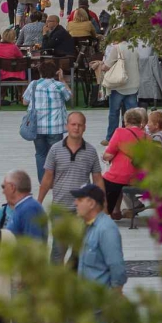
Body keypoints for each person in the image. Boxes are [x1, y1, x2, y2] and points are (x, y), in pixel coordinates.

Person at [40, 112, 104, 265]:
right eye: (73, 124)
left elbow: (97, 179)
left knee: (78, 251)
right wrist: (38, 201)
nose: (76, 128)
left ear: (84, 128)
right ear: (66, 126)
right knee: (58, 250)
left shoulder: (90, 151)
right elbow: (48, 177)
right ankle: (55, 285)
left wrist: (103, 206)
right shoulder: (55, 149)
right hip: (60, 209)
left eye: (80, 125)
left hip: (82, 210)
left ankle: (70, 280)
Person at [24, 64, 72, 182]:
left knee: (40, 154)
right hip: (55, 127)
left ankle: (43, 181)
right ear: (56, 73)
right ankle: (55, 179)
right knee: (55, 154)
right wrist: (62, 80)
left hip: (37, 126)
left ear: (40, 73)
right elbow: (69, 96)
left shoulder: (33, 84)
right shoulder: (59, 85)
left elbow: (25, 101)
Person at [101, 108, 148, 221]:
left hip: (119, 177)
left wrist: (105, 156)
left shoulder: (120, 132)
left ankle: (106, 211)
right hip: (138, 178)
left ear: (125, 121)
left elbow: (108, 155)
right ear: (139, 121)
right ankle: (117, 211)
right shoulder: (147, 137)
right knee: (119, 180)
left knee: (103, 182)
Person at [0, 170, 47, 240]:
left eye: (4, 187)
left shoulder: (29, 209)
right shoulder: (23, 207)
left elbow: (33, 243)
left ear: (12, 187)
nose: (3, 192)